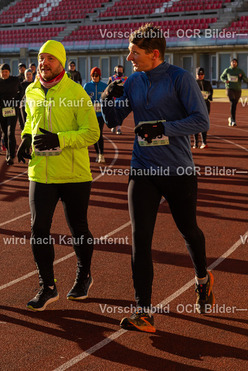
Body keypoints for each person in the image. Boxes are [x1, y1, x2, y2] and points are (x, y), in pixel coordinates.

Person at [101, 24, 213, 333]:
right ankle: (143, 310)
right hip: (143, 169)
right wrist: (108, 99)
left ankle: (202, 278)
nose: (129, 58)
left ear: (154, 54)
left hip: (177, 170)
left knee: (189, 230)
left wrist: (163, 128)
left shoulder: (180, 78)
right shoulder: (134, 81)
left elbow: (201, 121)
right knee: (140, 238)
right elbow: (114, 120)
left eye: (134, 53)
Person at [16, 40, 100, 311]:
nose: (44, 63)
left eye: (50, 58)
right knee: (38, 229)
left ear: (61, 62)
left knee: (78, 228)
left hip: (74, 174)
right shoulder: (31, 90)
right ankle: (47, 286)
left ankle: (84, 276)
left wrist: (60, 139)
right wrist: (25, 137)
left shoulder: (76, 92)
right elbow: (31, 120)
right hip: (40, 172)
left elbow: (92, 133)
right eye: (41, 58)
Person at [0, 63, 21, 166]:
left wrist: (17, 100)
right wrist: (0, 98)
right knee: (5, 133)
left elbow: (21, 91)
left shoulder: (15, 80)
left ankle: (11, 155)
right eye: (2, 72)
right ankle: (8, 151)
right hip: (1, 110)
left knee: (11, 132)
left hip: (12, 109)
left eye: (6, 72)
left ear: (9, 72)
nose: (4, 73)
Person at [83, 67, 108, 163]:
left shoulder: (104, 86)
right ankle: (97, 153)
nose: (94, 77)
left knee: (99, 133)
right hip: (91, 114)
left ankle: (101, 154)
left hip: (101, 114)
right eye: (93, 75)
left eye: (96, 75)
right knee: (94, 134)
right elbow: (83, 98)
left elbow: (108, 99)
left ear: (99, 76)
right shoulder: (87, 86)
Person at [219, 58, 247, 127]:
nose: (234, 63)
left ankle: (231, 119)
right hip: (229, 89)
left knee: (234, 104)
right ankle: (233, 120)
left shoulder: (240, 71)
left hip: (237, 89)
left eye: (235, 62)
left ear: (237, 63)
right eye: (232, 62)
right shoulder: (227, 70)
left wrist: (242, 77)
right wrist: (225, 80)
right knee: (232, 102)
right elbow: (221, 77)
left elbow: (246, 80)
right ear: (230, 63)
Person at [193, 67, 213, 148]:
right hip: (195, 105)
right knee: (195, 123)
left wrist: (209, 96)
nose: (200, 76)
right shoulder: (193, 83)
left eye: (202, 74)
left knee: (204, 122)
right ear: (196, 74)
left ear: (204, 75)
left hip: (205, 105)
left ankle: (204, 142)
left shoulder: (207, 83)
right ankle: (196, 142)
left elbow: (211, 91)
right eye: (198, 74)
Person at [108, 66, 127, 134]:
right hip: (113, 99)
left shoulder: (125, 79)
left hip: (122, 99)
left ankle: (119, 128)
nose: (119, 72)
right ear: (115, 71)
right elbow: (108, 87)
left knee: (120, 114)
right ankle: (113, 126)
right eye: (118, 70)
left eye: (121, 70)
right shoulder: (112, 78)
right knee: (113, 113)